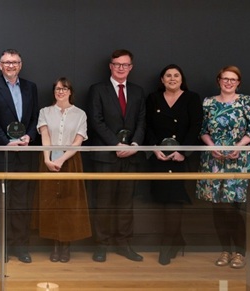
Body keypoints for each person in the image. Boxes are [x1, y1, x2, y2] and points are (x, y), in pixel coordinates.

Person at [197, 66, 250, 270]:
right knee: (218, 208)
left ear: (238, 82)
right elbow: (202, 130)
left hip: (240, 160)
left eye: (233, 79)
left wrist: (238, 147)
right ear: (219, 80)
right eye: (225, 78)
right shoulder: (208, 102)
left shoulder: (247, 101)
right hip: (214, 160)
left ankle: (240, 252)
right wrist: (212, 146)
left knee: (235, 208)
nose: (229, 82)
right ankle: (225, 250)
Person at [86, 49, 146, 263]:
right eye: (117, 64)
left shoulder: (138, 91)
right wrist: (116, 144)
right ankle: (101, 245)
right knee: (103, 203)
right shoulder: (97, 90)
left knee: (125, 204)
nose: (121, 68)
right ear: (110, 66)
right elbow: (96, 120)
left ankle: (124, 244)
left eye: (125, 65)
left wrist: (135, 145)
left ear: (131, 67)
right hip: (105, 155)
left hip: (131, 156)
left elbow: (141, 121)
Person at [0, 49, 39, 263]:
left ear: (20, 65)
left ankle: (20, 247)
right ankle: (2, 247)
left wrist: (29, 137)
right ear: (0, 65)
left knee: (22, 203)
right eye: (7, 62)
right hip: (0, 153)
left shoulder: (30, 87)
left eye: (14, 62)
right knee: (0, 202)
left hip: (24, 153)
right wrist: (6, 142)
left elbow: (34, 117)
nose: (11, 66)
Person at [144, 64, 202, 265]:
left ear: (182, 78)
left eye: (176, 75)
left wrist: (183, 151)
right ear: (162, 80)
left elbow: (196, 126)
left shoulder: (192, 98)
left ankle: (167, 244)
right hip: (159, 158)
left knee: (175, 201)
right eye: (168, 75)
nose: (172, 78)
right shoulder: (153, 98)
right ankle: (177, 240)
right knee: (163, 201)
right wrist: (154, 148)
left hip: (181, 160)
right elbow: (148, 126)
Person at [33, 77, 89, 263]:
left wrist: (62, 159)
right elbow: (45, 137)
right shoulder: (45, 112)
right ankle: (54, 245)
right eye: (57, 88)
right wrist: (48, 159)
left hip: (71, 161)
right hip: (48, 160)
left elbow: (77, 143)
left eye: (64, 88)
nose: (61, 92)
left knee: (70, 203)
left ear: (71, 91)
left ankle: (66, 246)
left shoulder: (80, 114)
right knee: (50, 202)